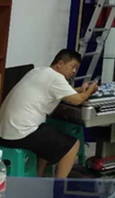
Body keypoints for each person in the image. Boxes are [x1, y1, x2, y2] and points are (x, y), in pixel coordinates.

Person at [0, 49, 99, 178]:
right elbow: (77, 100)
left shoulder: (38, 71)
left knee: (49, 137)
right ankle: (59, 184)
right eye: (73, 67)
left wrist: (81, 89)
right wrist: (90, 91)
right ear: (60, 63)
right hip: (20, 134)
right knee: (73, 146)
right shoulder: (56, 77)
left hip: (5, 132)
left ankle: (39, 177)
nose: (74, 71)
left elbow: (62, 92)